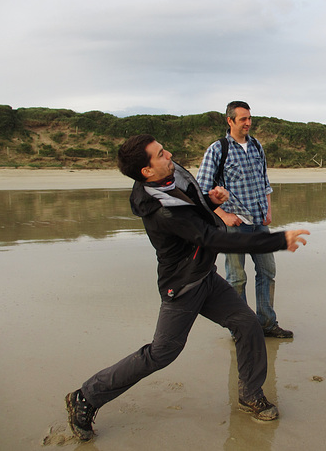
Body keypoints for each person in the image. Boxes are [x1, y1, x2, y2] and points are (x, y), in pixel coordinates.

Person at [65, 134, 309, 441]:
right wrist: (276, 240)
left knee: (247, 325)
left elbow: (192, 207)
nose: (169, 154)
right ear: (147, 172)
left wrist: (210, 201)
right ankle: (86, 396)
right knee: (161, 353)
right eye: (160, 154)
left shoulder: (167, 176)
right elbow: (211, 238)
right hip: (182, 287)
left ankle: (250, 394)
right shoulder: (161, 211)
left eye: (164, 148)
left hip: (204, 275)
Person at [196, 101, 292, 338]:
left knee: (267, 272)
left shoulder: (257, 146)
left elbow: (264, 183)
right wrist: (223, 215)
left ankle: (267, 324)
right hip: (234, 225)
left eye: (249, 118)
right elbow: (201, 190)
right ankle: (241, 328)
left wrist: (268, 211)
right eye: (242, 119)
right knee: (237, 278)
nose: (248, 123)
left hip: (259, 223)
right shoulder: (218, 149)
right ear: (230, 121)